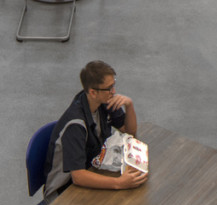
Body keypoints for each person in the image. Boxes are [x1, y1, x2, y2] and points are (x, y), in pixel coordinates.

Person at [44, 59, 145, 195]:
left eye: (113, 85)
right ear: (93, 92)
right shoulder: (75, 125)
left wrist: (129, 105)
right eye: (109, 88)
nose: (113, 91)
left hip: (91, 168)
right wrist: (119, 183)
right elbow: (78, 176)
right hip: (63, 192)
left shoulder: (104, 101)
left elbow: (129, 131)